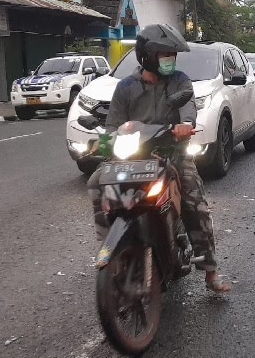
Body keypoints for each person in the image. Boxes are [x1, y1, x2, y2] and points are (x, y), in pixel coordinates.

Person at [87, 24, 231, 293]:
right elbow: (112, 126)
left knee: (194, 199)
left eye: (171, 55)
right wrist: (101, 143)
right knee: (97, 182)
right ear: (146, 56)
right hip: (133, 157)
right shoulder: (125, 88)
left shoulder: (179, 81)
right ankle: (114, 247)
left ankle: (210, 270)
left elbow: (188, 108)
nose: (169, 60)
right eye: (163, 55)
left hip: (170, 153)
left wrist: (185, 124)